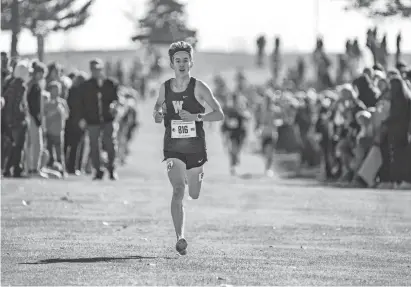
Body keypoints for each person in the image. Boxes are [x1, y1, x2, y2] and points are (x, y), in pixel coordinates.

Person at [152, 41, 224, 255]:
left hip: (195, 148)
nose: (182, 64)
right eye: (178, 60)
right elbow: (158, 108)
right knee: (177, 190)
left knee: (193, 193)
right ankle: (180, 237)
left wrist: (196, 117)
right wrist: (157, 114)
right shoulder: (165, 87)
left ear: (191, 62)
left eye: (185, 60)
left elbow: (219, 114)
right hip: (173, 147)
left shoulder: (199, 87)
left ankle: (196, 176)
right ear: (171, 63)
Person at [79, 59, 119, 180]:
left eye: (98, 69)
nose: (96, 71)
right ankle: (97, 170)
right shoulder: (86, 86)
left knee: (110, 144)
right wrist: (82, 118)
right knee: (94, 146)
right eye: (94, 69)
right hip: (92, 120)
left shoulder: (110, 83)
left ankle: (111, 168)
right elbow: (82, 104)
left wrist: (114, 106)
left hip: (107, 119)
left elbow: (115, 99)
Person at [222, 93, 250, 175]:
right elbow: (225, 122)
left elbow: (247, 118)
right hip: (232, 134)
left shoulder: (241, 109)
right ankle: (233, 167)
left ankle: (235, 161)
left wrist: (242, 113)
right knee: (233, 150)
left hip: (240, 134)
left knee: (237, 151)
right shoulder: (229, 110)